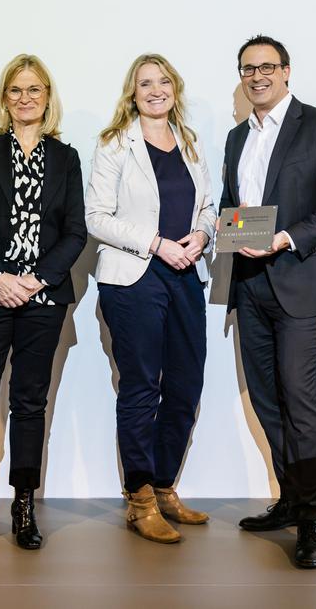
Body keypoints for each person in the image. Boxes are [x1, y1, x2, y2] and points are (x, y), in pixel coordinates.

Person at [219, 34, 316, 568]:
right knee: (266, 399)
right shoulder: (237, 137)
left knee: (300, 400)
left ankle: (311, 520)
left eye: (267, 67)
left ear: (286, 71)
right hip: (251, 284)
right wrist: (225, 228)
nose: (257, 76)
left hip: (302, 282)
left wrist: (286, 237)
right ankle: (290, 500)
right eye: (248, 68)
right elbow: (236, 205)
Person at [0, 54, 87, 553]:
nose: (25, 98)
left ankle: (24, 505)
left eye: (34, 89)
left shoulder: (66, 157)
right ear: (4, 98)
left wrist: (34, 280)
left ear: (47, 97)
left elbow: (75, 231)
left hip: (42, 299)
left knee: (30, 404)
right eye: (16, 89)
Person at [85, 53, 216, 544]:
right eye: (145, 83)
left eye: (163, 81)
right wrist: (157, 243)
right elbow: (96, 217)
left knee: (186, 385)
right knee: (142, 386)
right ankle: (139, 499)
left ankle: (164, 487)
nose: (155, 90)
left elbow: (207, 207)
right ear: (133, 93)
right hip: (134, 278)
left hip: (186, 275)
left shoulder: (190, 144)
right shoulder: (114, 144)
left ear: (175, 89)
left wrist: (202, 235)